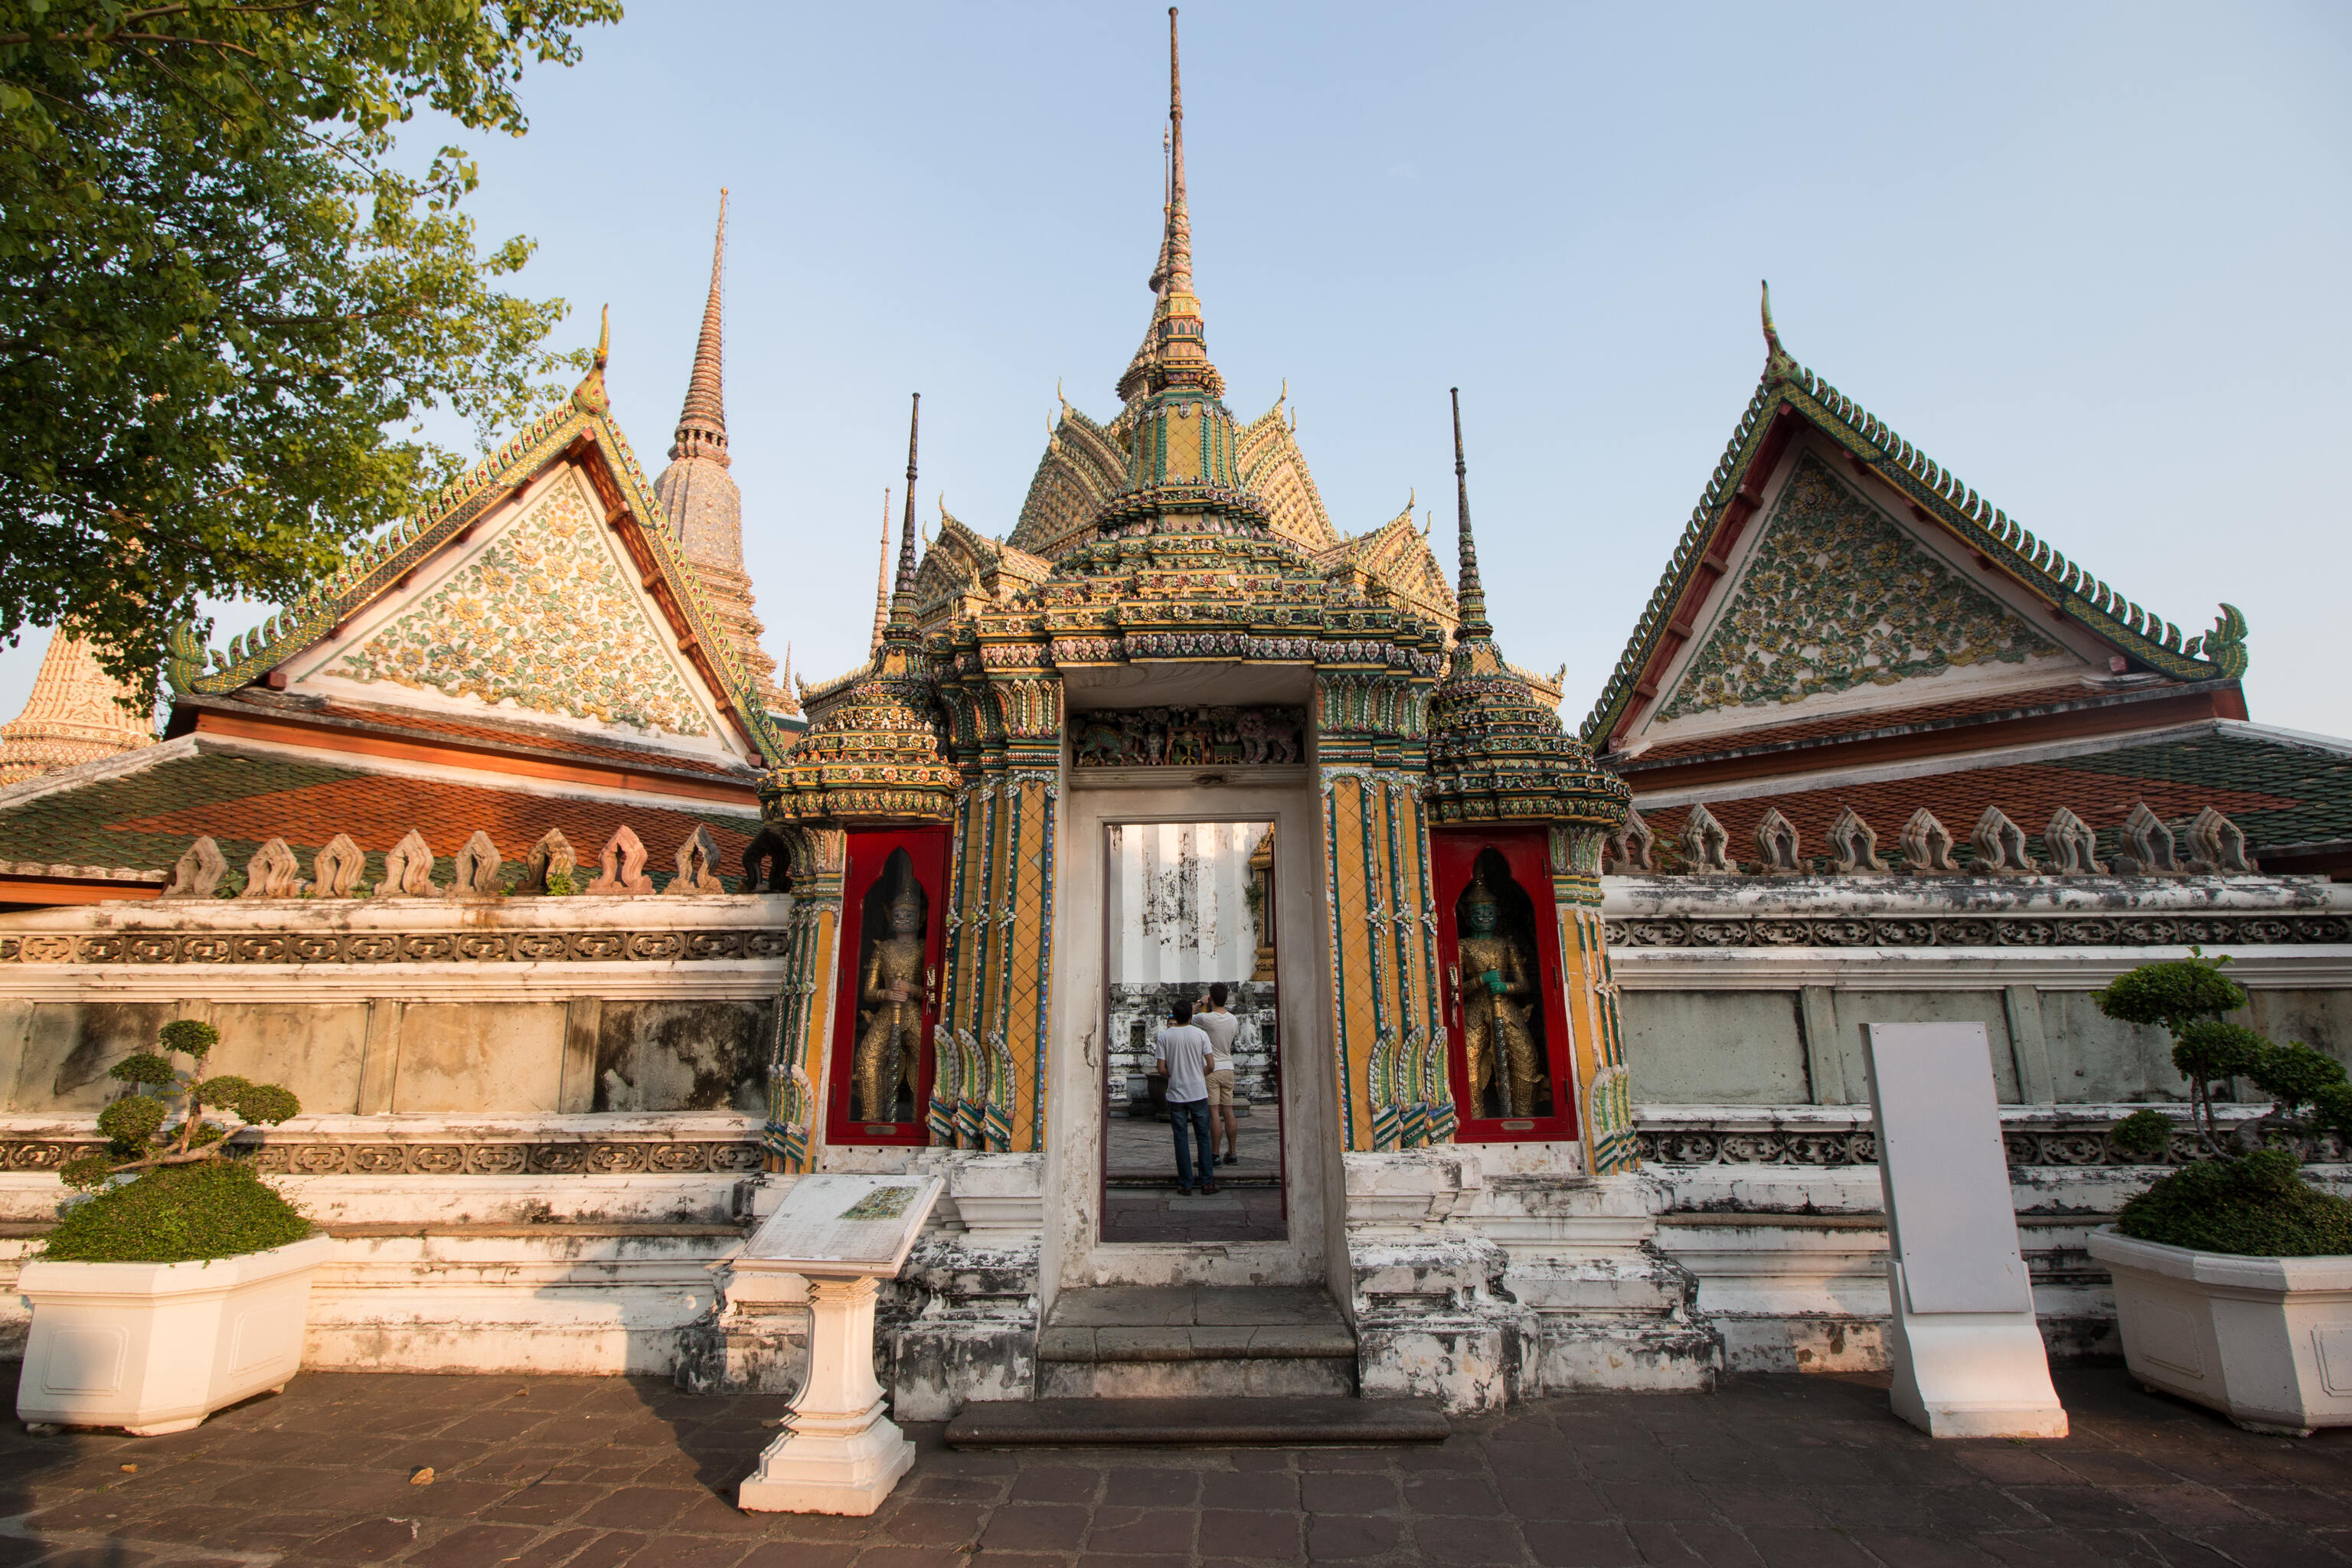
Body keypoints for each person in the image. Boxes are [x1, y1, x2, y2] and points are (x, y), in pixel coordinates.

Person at [1153, 998, 1217, 1195]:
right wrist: (1198, 1075)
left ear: (1174, 1015)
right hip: (1198, 1092)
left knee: (1180, 1138)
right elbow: (1211, 1065)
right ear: (1191, 1015)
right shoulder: (1201, 1034)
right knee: (1203, 1137)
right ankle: (1206, 1182)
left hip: (1176, 1094)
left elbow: (1161, 1068)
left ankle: (1186, 1183)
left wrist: (1174, 1077)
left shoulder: (1165, 1036)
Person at [1195, 982, 1242, 1165]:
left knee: (1214, 1112)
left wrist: (1200, 1002)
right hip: (1228, 1068)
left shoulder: (1207, 1019)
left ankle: (1214, 1154)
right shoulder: (1233, 1020)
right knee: (1229, 1110)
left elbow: (1186, 1016)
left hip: (1212, 1068)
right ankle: (1232, 1152)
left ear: (1211, 998)